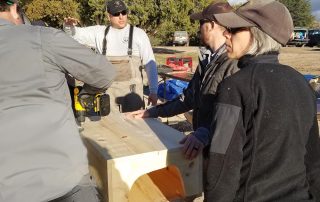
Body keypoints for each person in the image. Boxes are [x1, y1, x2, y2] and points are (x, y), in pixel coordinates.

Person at [187, 0, 320, 201]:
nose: (226, 34)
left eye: (233, 29)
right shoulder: (301, 83)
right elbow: (313, 161)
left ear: (256, 33)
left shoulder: (236, 86)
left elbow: (222, 165)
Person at [0, 0, 116, 201]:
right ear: (14, 8)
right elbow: (104, 73)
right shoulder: (42, 38)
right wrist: (86, 93)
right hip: (63, 179)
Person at [128, 1, 239, 160]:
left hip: (222, 153)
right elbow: (188, 99)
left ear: (212, 25)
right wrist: (152, 112)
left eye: (201, 23)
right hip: (203, 148)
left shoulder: (233, 62)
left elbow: (232, 115)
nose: (199, 28)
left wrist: (204, 133)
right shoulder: (207, 59)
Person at [63, 0, 158, 113]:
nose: (121, 17)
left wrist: (153, 91)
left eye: (123, 12)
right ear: (109, 16)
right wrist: (68, 26)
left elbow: (150, 64)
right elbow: (74, 35)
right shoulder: (99, 33)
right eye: (116, 14)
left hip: (132, 96)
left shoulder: (139, 34)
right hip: (106, 95)